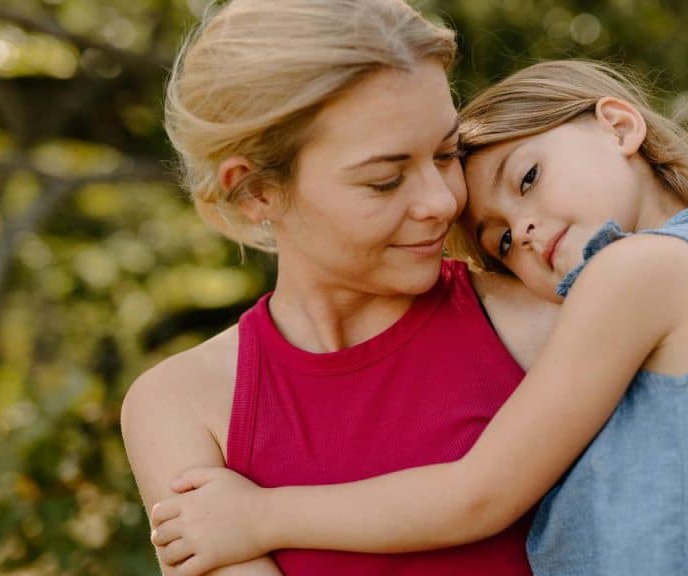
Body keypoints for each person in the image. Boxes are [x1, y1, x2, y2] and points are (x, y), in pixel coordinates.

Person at [148, 60, 688, 575]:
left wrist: (262, 515)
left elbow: (478, 492)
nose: (528, 230)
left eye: (528, 178)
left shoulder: (641, 272)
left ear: (618, 124)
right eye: (502, 241)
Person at [120, 1, 560, 574]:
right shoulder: (180, 405)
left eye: (447, 154)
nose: (442, 202)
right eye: (385, 180)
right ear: (254, 191)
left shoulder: (545, 321)